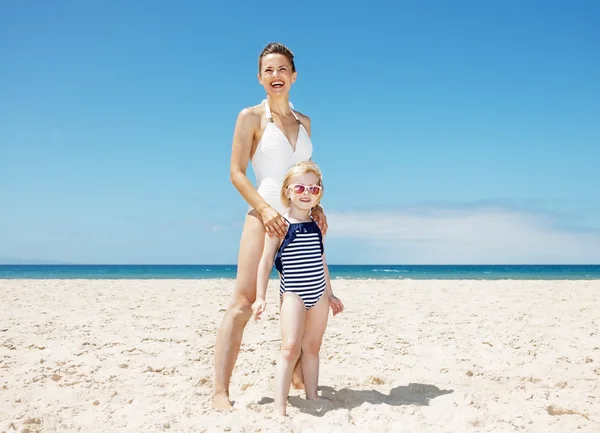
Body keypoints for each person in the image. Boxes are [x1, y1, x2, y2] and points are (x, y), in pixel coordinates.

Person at [212, 42, 328, 409]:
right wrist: (264, 211)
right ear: (260, 78)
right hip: (264, 215)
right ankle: (219, 391)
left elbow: (303, 174)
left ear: (293, 76)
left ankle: (296, 376)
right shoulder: (251, 117)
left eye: (282, 70)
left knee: (306, 298)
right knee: (243, 303)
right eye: (268, 70)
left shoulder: (305, 121)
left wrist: (317, 206)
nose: (275, 76)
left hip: (300, 219)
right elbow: (235, 172)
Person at [252, 160, 344, 416]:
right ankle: (279, 407)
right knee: (290, 348)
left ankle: (312, 394)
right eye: (301, 187)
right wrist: (261, 297)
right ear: (288, 191)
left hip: (319, 294)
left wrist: (330, 292)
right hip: (293, 292)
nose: (307, 193)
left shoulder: (318, 226)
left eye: (314, 189)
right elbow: (266, 261)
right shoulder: (280, 225)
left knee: (313, 347)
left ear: (319, 194)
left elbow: (321, 260)